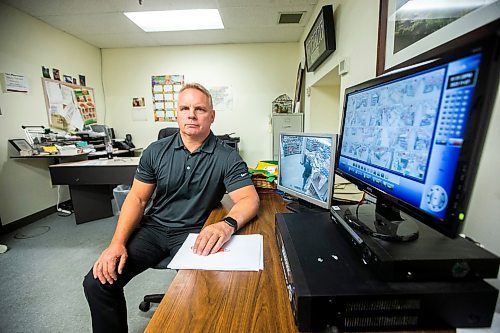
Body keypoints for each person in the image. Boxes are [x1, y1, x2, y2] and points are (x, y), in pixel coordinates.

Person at [83, 83, 260, 332]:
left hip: (194, 233)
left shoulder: (227, 157)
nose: (191, 114)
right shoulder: (155, 151)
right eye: (185, 108)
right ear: (177, 114)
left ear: (212, 116)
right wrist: (116, 243)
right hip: (153, 229)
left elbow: (249, 199)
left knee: (209, 292)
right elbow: (137, 199)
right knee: (97, 282)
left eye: (199, 109)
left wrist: (226, 224)